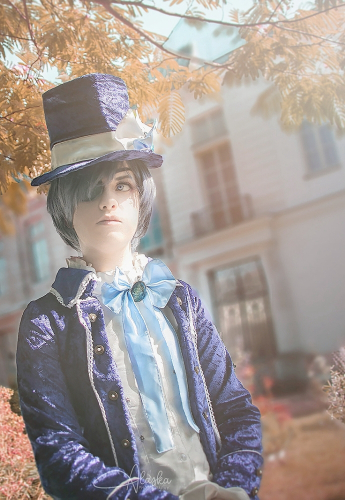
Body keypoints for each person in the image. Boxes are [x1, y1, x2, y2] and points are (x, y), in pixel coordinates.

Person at [16, 73, 263, 500]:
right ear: (63, 207)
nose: (108, 201)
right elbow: (59, 453)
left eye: (122, 185)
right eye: (89, 189)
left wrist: (235, 487)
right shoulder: (47, 322)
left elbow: (235, 408)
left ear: (141, 196)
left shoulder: (179, 299)